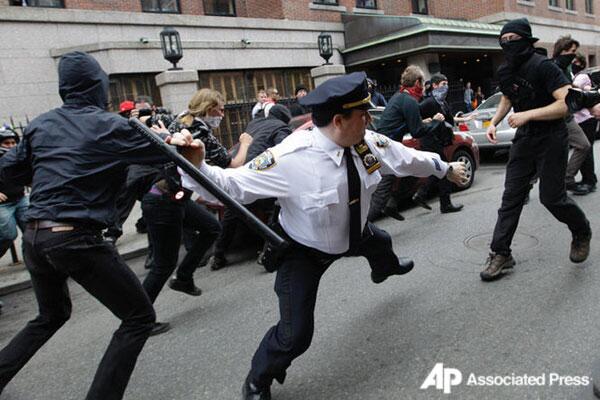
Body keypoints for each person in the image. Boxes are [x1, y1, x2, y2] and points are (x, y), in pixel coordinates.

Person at [180, 72, 468, 400]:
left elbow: (408, 159)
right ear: (338, 121)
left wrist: (445, 169)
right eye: (363, 114)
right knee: (295, 335)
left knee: (382, 243)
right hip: (305, 249)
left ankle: (383, 268)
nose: (369, 119)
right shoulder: (290, 157)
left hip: (354, 233)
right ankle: (258, 379)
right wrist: (198, 167)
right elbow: (231, 186)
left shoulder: (366, 143)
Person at [0, 51, 197, 400]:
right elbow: (164, 154)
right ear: (97, 86)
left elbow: (9, 170)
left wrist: (51, 168)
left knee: (51, 315)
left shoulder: (41, 125)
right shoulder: (111, 125)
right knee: (138, 318)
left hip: (35, 236)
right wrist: (172, 137)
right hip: (74, 237)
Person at [480, 18, 592, 282]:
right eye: (503, 40)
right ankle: (501, 253)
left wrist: (528, 114)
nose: (507, 44)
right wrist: (493, 122)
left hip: (552, 136)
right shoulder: (505, 71)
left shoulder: (544, 66)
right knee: (511, 198)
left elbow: (566, 103)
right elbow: (508, 97)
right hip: (524, 139)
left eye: (513, 39)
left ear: (526, 40)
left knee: (552, 198)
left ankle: (581, 230)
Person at [137, 88, 250, 334]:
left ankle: (184, 277)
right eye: (220, 110)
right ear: (208, 108)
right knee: (163, 265)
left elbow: (147, 119)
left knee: (212, 228)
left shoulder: (180, 119)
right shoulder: (200, 131)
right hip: (163, 201)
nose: (222, 115)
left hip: (171, 197)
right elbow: (233, 164)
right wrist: (245, 143)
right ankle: (139, 320)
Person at [209, 104, 292, 271]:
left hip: (240, 172)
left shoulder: (254, 124)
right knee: (276, 208)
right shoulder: (281, 128)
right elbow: (283, 152)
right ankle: (268, 252)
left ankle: (218, 255)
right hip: (260, 174)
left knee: (233, 212)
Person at [415, 73, 474, 213]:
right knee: (444, 169)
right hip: (429, 141)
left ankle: (423, 195)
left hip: (439, 141)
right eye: (443, 84)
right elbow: (414, 118)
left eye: (447, 84)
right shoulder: (429, 102)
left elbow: (449, 119)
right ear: (434, 85)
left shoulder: (443, 103)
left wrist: (466, 119)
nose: (446, 87)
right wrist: (425, 121)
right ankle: (442, 203)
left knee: (439, 170)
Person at [552, 35, 592, 192]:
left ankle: (567, 179)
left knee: (583, 145)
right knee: (547, 153)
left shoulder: (566, 69)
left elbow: (570, 87)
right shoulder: (551, 68)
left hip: (567, 117)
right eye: (572, 51)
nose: (574, 55)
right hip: (554, 117)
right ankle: (525, 186)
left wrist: (586, 93)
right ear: (562, 51)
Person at [570, 53, 598, 195]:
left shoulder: (582, 77)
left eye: (575, 61)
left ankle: (589, 181)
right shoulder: (574, 76)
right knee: (583, 150)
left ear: (581, 63)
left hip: (586, 119)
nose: (572, 63)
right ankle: (587, 179)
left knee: (585, 150)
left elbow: (578, 91)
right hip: (579, 119)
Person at [0, 126, 27, 259]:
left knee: (31, 231)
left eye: (13, 142)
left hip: (21, 198)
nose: (11, 146)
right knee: (8, 235)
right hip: (3, 204)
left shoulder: (18, 157)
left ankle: (33, 261)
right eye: (6, 143)